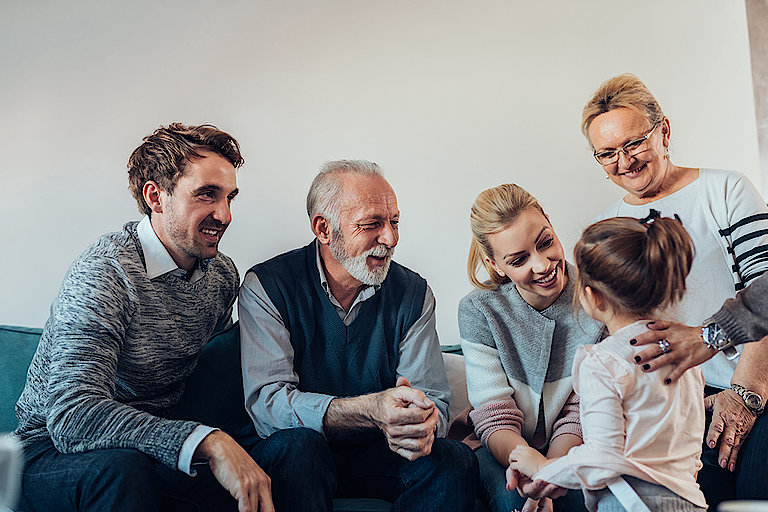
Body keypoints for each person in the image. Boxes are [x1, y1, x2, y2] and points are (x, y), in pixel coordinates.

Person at [13, 123, 274, 512]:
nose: (225, 215)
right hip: (47, 452)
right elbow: (71, 415)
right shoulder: (105, 272)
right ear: (156, 196)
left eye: (230, 198)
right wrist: (207, 441)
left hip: (150, 448)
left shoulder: (221, 276)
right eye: (207, 195)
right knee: (123, 469)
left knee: (293, 451)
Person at [238, 160, 478, 512]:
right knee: (300, 448)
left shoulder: (413, 293)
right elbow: (268, 407)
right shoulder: (268, 286)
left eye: (394, 221)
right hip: (297, 453)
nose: (391, 238)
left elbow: (433, 402)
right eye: (372, 225)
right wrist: (370, 410)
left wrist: (421, 424)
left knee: (453, 459)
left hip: (377, 451)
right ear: (324, 228)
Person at [583, 73, 768, 508]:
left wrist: (746, 395)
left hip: (753, 386)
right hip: (673, 412)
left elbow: (765, 289)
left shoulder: (725, 190)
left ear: (663, 131)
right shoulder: (606, 227)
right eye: (607, 153)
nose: (624, 161)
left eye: (633, 143)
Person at [508, 215, 707, 512]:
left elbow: (603, 457)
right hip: (689, 499)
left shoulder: (601, 362)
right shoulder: (687, 356)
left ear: (591, 296)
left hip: (629, 503)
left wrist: (543, 468)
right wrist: (552, 483)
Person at [456, 184, 604, 512]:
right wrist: (531, 469)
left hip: (578, 443)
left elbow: (580, 413)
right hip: (501, 446)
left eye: (545, 242)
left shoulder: (599, 294)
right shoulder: (479, 310)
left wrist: (549, 474)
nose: (542, 265)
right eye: (519, 259)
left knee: (584, 498)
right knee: (516, 496)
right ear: (494, 264)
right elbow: (495, 417)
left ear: (550, 223)